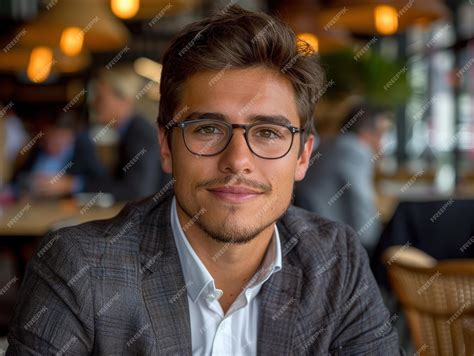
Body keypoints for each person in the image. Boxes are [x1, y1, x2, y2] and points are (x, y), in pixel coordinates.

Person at [7, 6, 401, 355]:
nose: (238, 161)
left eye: (267, 133)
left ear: (302, 156)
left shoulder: (336, 259)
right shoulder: (79, 268)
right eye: (208, 129)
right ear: (166, 146)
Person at [294, 103, 389, 254]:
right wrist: (375, 246)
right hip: (328, 245)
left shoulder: (329, 143)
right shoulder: (354, 150)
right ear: (366, 133)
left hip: (307, 232)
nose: (383, 142)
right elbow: (361, 205)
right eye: (382, 133)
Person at [84, 66, 165, 201]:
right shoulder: (129, 131)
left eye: (100, 96)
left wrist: (76, 185)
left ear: (123, 100)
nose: (93, 103)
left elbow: (136, 192)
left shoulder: (141, 135)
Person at [9, 113, 106, 199]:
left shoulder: (83, 152)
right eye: (47, 139)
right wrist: (27, 184)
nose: (50, 145)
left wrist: (71, 185)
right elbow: (15, 180)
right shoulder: (37, 149)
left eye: (57, 139)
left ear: (71, 136)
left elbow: (104, 184)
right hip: (33, 207)